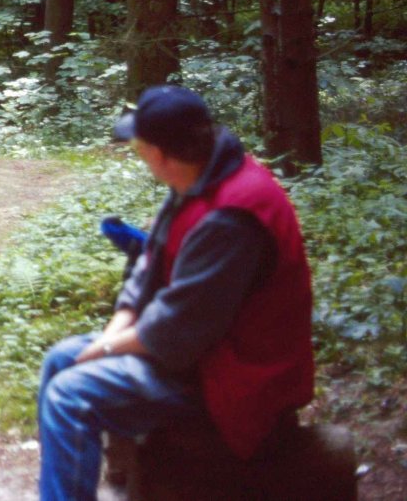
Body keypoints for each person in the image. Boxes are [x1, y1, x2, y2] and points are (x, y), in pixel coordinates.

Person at [37, 84, 315, 501]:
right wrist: (114, 332)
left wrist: (108, 349)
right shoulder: (199, 175)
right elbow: (150, 260)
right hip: (201, 354)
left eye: (139, 146)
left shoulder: (231, 218)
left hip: (235, 378)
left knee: (69, 395)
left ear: (159, 154)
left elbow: (179, 330)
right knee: (60, 360)